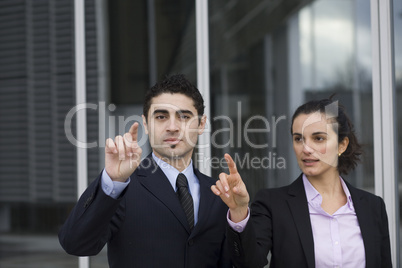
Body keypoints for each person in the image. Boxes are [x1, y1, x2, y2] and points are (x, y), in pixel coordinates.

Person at [59, 74, 231, 268]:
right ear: (146, 124)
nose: (172, 127)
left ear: (201, 124)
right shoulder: (121, 189)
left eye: (183, 116)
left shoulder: (218, 194)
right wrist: (112, 181)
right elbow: (75, 244)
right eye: (161, 117)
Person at [211, 98, 392, 268]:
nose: (305, 148)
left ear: (342, 145)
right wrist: (239, 211)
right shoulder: (273, 204)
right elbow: (248, 263)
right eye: (298, 139)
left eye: (318, 138)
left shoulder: (373, 207)